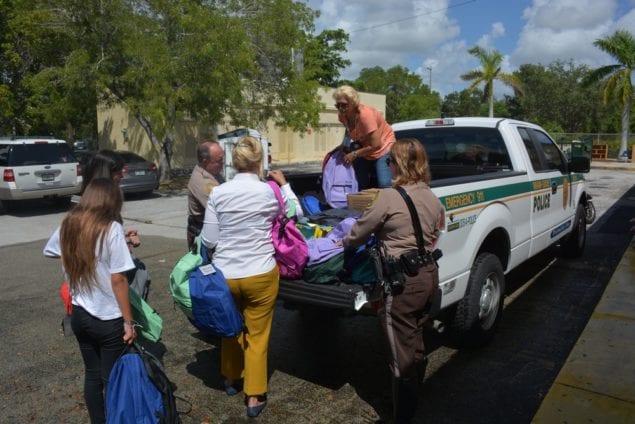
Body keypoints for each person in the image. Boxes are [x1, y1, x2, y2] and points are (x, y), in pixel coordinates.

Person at [343, 138, 444, 423]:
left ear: (398, 164)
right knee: (414, 340)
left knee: (400, 354)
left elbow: (358, 233)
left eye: (389, 161)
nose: (386, 166)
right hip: (427, 277)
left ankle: (403, 414)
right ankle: (410, 397)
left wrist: (343, 239)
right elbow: (433, 232)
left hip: (403, 282)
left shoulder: (389, 197)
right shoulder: (431, 196)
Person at [201, 136, 294, 418]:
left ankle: (231, 378)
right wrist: (286, 186)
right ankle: (254, 395)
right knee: (258, 335)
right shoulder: (270, 192)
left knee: (231, 328)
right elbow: (293, 215)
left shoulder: (218, 193)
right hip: (260, 273)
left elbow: (208, 239)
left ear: (234, 161)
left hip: (227, 274)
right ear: (259, 161)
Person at [44, 178, 137, 424]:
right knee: (111, 377)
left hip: (79, 314)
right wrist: (129, 322)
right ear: (112, 200)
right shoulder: (111, 227)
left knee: (92, 374)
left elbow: (51, 250)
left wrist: (80, 256)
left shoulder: (70, 223)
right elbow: (118, 279)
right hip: (108, 318)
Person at [333, 85, 396, 189]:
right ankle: (362, 201)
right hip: (366, 147)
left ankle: (388, 202)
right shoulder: (342, 115)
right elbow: (349, 129)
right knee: (359, 181)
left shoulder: (366, 116)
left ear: (353, 103)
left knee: (384, 183)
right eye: (337, 105)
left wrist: (354, 154)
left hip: (383, 146)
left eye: (344, 105)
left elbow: (376, 145)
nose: (340, 109)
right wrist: (344, 144)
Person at [79, 149, 140, 248]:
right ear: (105, 173)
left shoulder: (105, 206)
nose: (122, 176)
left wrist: (124, 239)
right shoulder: (87, 213)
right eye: (118, 172)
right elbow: (54, 249)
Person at [187, 141, 225, 250]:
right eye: (219, 160)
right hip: (202, 231)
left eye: (223, 158)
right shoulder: (203, 182)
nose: (223, 162)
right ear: (205, 162)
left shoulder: (213, 172)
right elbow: (222, 209)